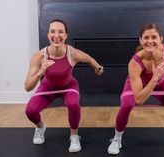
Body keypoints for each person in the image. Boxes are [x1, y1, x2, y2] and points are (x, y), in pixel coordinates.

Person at [107, 23, 164, 155]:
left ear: (161, 39)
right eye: (146, 38)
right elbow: (140, 99)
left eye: (154, 37)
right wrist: (155, 77)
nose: (150, 41)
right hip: (138, 85)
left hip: (160, 83)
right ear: (141, 40)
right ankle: (117, 139)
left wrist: (162, 72)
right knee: (126, 106)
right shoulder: (135, 62)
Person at [24, 19, 104, 153]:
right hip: (47, 88)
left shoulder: (72, 53)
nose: (56, 35)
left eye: (60, 32)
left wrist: (98, 67)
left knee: (73, 104)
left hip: (68, 86)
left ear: (66, 35)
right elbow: (27, 87)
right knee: (30, 111)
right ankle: (40, 127)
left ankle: (74, 136)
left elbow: (88, 58)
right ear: (48, 35)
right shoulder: (38, 57)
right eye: (52, 32)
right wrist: (40, 72)